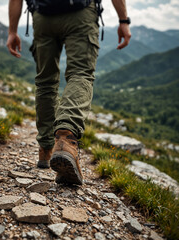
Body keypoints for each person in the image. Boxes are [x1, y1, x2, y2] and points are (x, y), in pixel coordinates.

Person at [7, 0, 131, 185]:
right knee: (81, 73)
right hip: (80, 14)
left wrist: (12, 31)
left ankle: (46, 149)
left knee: (45, 82)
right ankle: (66, 139)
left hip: (43, 16)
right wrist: (123, 20)